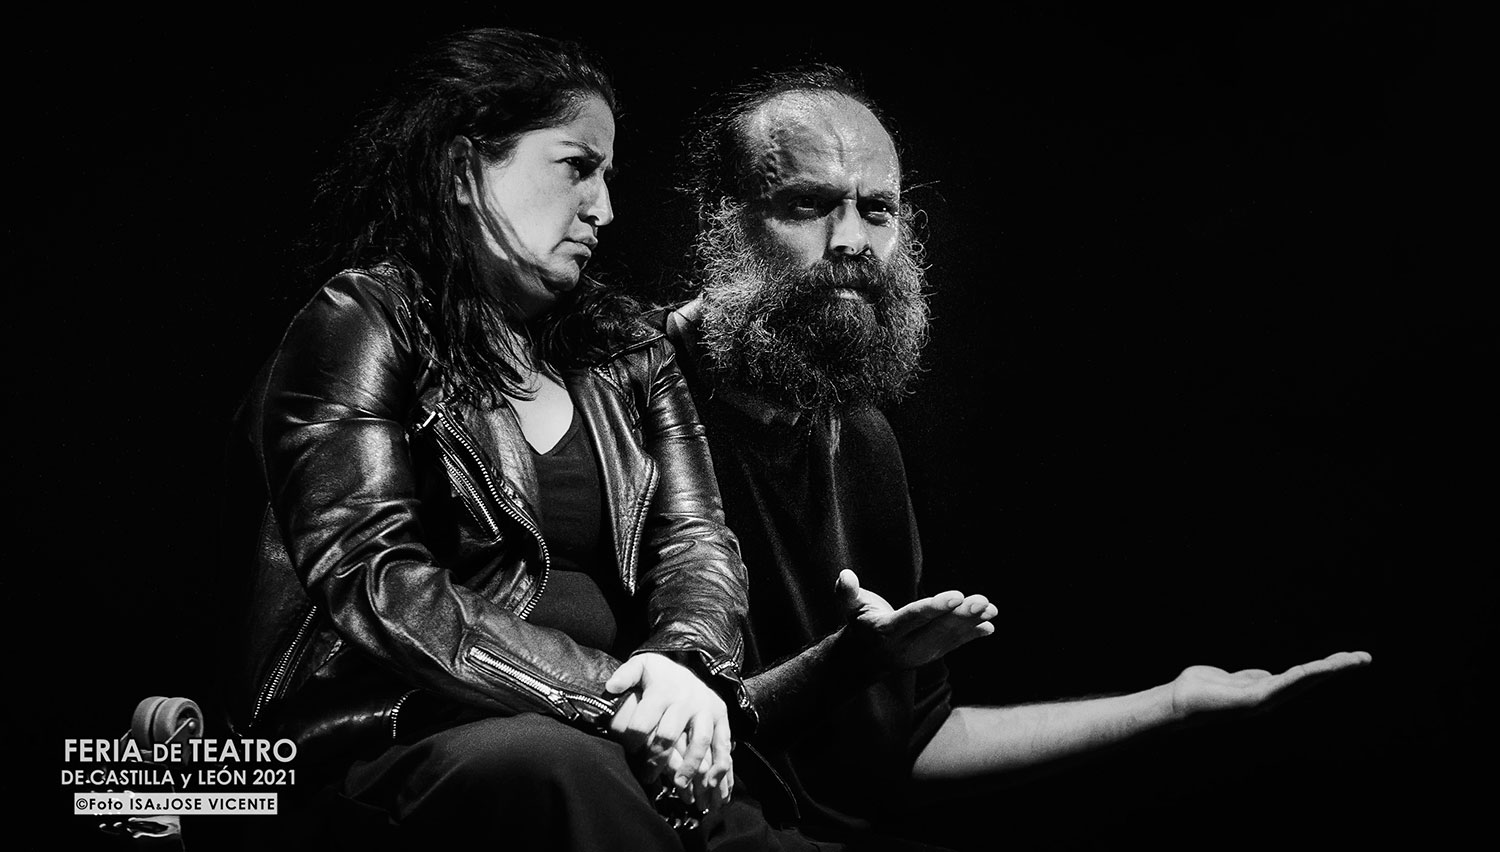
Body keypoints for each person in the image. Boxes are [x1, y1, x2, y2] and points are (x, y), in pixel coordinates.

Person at [649, 64, 1374, 850]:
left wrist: (1171, 703)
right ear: (720, 217)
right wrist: (841, 665)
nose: (851, 240)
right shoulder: (626, 398)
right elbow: (620, 719)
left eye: (877, 209)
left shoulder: (862, 439)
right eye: (807, 204)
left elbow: (915, 743)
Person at [222, 28, 754, 851]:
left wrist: (681, 671)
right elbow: (377, 580)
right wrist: (618, 690)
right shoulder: (364, 320)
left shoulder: (632, 353)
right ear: (466, 171)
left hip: (621, 735)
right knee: (561, 777)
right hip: (407, 727)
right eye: (576, 166)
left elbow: (697, 545)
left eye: (608, 177)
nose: (604, 209)